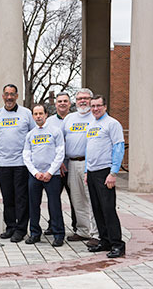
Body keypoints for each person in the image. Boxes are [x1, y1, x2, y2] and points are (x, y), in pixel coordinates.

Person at [0, 84, 36, 243]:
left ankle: (21, 229)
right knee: (7, 198)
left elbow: (34, 137)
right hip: (3, 164)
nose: (9, 97)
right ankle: (10, 227)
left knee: (21, 198)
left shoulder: (26, 114)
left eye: (12, 94)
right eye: (6, 94)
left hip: (21, 164)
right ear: (2, 96)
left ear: (17, 96)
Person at [85, 95, 125, 258]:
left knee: (108, 209)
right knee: (97, 209)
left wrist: (113, 173)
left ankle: (117, 244)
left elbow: (118, 148)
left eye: (98, 106)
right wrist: (87, 171)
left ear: (105, 106)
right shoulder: (91, 124)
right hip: (92, 172)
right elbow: (89, 148)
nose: (95, 109)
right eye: (92, 106)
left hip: (105, 171)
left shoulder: (112, 124)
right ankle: (105, 240)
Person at [23, 104, 65, 247]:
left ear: (46, 115)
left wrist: (50, 172)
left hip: (52, 175)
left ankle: (58, 234)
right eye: (35, 114)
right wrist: (35, 173)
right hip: (35, 176)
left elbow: (60, 153)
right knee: (33, 205)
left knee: (54, 205)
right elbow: (26, 156)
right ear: (33, 116)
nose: (38, 116)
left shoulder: (55, 131)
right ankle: (35, 233)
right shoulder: (30, 134)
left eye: (41, 113)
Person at [63, 88, 99, 246]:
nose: (82, 101)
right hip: (72, 163)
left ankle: (97, 233)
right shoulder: (69, 118)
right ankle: (83, 231)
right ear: (75, 102)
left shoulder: (96, 117)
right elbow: (61, 141)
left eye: (86, 98)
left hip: (90, 164)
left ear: (91, 100)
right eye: (79, 98)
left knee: (92, 199)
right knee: (77, 199)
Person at [44, 91, 77, 235]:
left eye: (65, 101)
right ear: (55, 104)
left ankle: (77, 225)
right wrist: (58, 162)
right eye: (60, 101)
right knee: (53, 198)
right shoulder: (49, 121)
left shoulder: (75, 119)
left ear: (69, 104)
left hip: (73, 166)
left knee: (75, 198)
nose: (62, 103)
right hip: (55, 168)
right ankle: (53, 225)